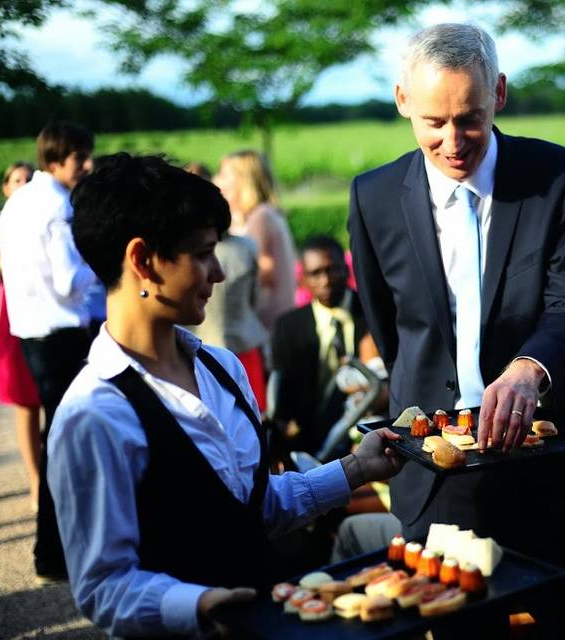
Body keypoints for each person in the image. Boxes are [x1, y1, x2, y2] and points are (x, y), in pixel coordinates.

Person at [48, 153, 403, 637]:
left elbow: (251, 506)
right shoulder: (94, 414)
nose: (219, 272)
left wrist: (355, 469)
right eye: (202, 253)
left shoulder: (223, 369)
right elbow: (103, 586)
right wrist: (195, 604)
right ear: (142, 260)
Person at [347, 23, 565, 629]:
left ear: (498, 93)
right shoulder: (372, 196)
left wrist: (528, 371)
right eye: (433, 122)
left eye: (469, 118)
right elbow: (389, 330)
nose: (453, 141)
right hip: (437, 473)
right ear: (403, 103)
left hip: (546, 457)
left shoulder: (558, 178)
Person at [0, 121, 96, 582]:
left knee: (58, 441)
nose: (88, 165)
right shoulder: (57, 205)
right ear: (56, 159)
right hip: (62, 337)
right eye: (81, 157)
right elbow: (68, 279)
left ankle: (55, 551)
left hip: (30, 335)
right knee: (67, 444)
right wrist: (105, 264)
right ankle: (53, 553)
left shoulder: (18, 201)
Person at [271, 235, 371, 455]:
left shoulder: (372, 314)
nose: (326, 280)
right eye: (315, 273)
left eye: (333, 269)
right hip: (310, 440)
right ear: (303, 279)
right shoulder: (288, 327)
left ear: (347, 270)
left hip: (367, 431)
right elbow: (282, 391)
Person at [0, 161, 41, 511]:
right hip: (12, 313)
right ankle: (34, 479)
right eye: (17, 179)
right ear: (6, 187)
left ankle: (53, 475)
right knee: (25, 402)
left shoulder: (47, 216)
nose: (23, 184)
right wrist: (17, 252)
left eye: (30, 179)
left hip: (45, 310)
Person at [190, 199, 269, 413]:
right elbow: (255, 298)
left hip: (202, 346)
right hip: (244, 341)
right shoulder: (247, 247)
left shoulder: (188, 250)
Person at [213, 150, 297, 331]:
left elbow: (262, 271)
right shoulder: (264, 214)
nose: (217, 180)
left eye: (224, 174)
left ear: (244, 180)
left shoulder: (261, 217)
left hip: (266, 322)